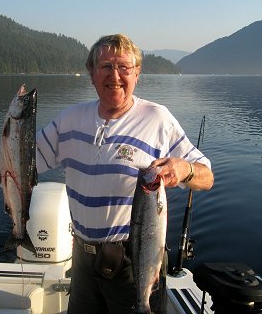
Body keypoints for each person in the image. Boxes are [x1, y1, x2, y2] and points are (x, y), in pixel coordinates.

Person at [36, 34, 214, 314]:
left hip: (135, 260)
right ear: (92, 74)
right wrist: (14, 129)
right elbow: (27, 163)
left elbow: (207, 177)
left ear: (137, 74)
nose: (115, 76)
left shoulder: (157, 119)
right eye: (105, 66)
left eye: (124, 67)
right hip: (82, 260)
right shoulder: (68, 120)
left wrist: (184, 169)